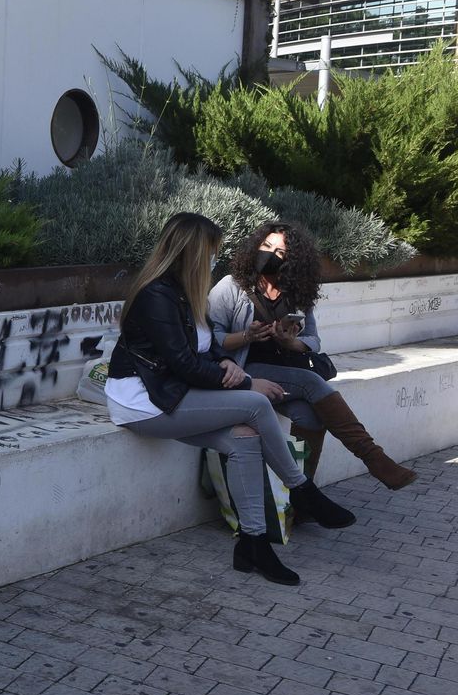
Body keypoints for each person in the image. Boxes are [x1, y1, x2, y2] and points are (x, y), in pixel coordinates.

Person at [104, 213, 354, 586]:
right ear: (191, 252)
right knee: (254, 405)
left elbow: (200, 351)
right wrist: (244, 382)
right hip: (143, 401)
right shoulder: (157, 295)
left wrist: (224, 361)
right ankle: (302, 491)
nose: (213, 261)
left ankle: (253, 543)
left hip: (171, 393)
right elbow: (184, 364)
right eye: (210, 253)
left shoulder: (184, 292)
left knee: (245, 439)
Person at [208, 221, 418, 491]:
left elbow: (313, 341)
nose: (270, 255)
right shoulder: (231, 287)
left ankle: (301, 497)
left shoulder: (295, 293)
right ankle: (376, 459)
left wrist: (290, 342)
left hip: (286, 372)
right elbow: (210, 338)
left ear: (292, 260)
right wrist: (247, 336)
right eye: (266, 246)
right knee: (312, 382)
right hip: (245, 370)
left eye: (280, 252)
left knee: (311, 417)